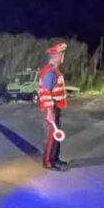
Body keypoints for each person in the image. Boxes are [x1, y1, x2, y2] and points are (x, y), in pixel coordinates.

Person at [38, 42, 69, 171]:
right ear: (54, 56)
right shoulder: (49, 72)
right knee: (51, 136)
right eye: (60, 54)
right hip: (51, 108)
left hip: (56, 107)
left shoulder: (54, 71)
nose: (62, 56)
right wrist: (49, 112)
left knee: (56, 135)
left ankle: (55, 158)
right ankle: (48, 162)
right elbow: (46, 92)